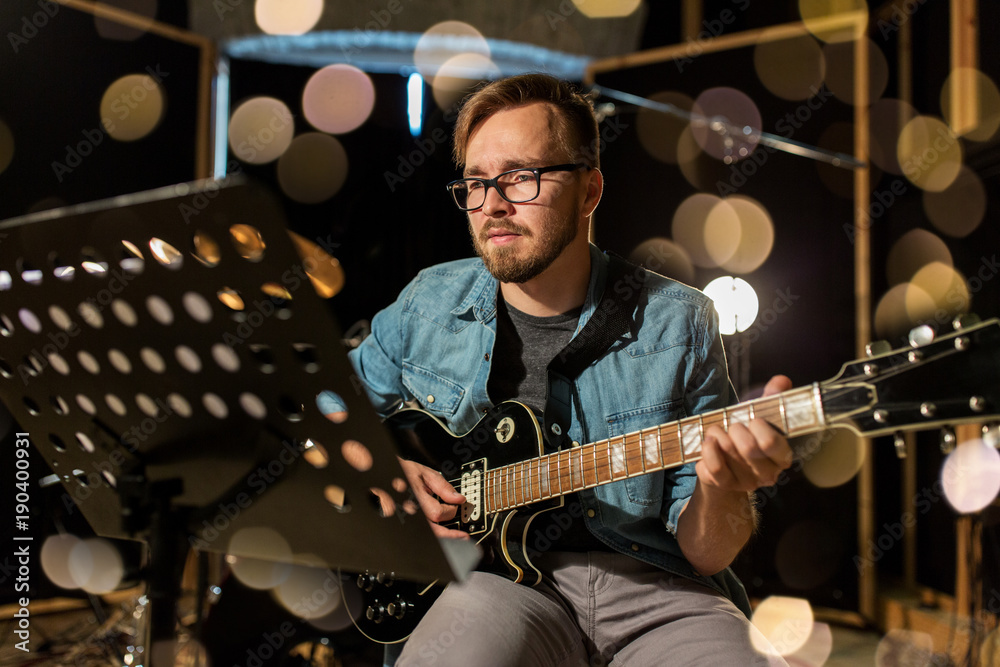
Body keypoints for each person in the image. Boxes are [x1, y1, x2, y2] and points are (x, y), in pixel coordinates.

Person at [345, 73, 794, 666]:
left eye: (521, 177)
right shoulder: (428, 301)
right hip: (491, 583)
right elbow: (324, 409)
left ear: (589, 191)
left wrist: (723, 491)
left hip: (653, 584)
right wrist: (378, 467)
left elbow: (708, 552)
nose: (494, 204)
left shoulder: (679, 320)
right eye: (477, 183)